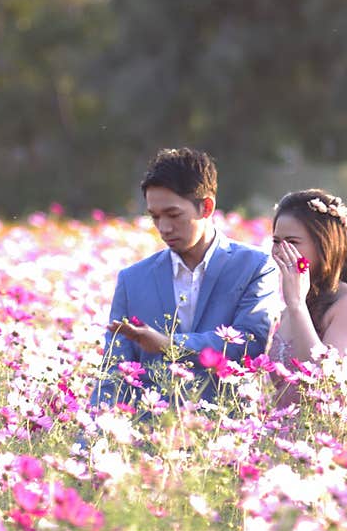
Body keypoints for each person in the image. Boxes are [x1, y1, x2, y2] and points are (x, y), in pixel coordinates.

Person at [90, 147, 280, 409]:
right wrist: (88, 442)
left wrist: (170, 345)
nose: (164, 228)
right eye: (155, 217)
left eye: (173, 214)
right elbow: (114, 374)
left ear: (206, 207)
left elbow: (249, 343)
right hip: (154, 436)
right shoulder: (132, 280)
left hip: (226, 432)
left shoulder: (255, 266)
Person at [267, 188, 347, 407]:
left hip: (324, 436)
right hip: (278, 433)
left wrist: (297, 306)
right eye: (276, 241)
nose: (281, 252)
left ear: (325, 244)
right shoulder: (292, 305)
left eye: (292, 242)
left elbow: (325, 387)